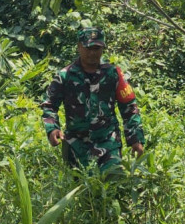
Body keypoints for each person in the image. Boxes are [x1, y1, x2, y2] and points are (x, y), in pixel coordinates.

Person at [41, 27, 145, 171]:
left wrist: (135, 138)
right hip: (76, 144)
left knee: (114, 180)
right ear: (79, 47)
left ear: (102, 48)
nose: (92, 53)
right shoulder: (65, 76)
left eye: (96, 48)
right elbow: (50, 105)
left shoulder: (113, 74)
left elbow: (129, 106)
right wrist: (52, 129)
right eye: (88, 48)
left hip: (108, 142)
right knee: (78, 184)